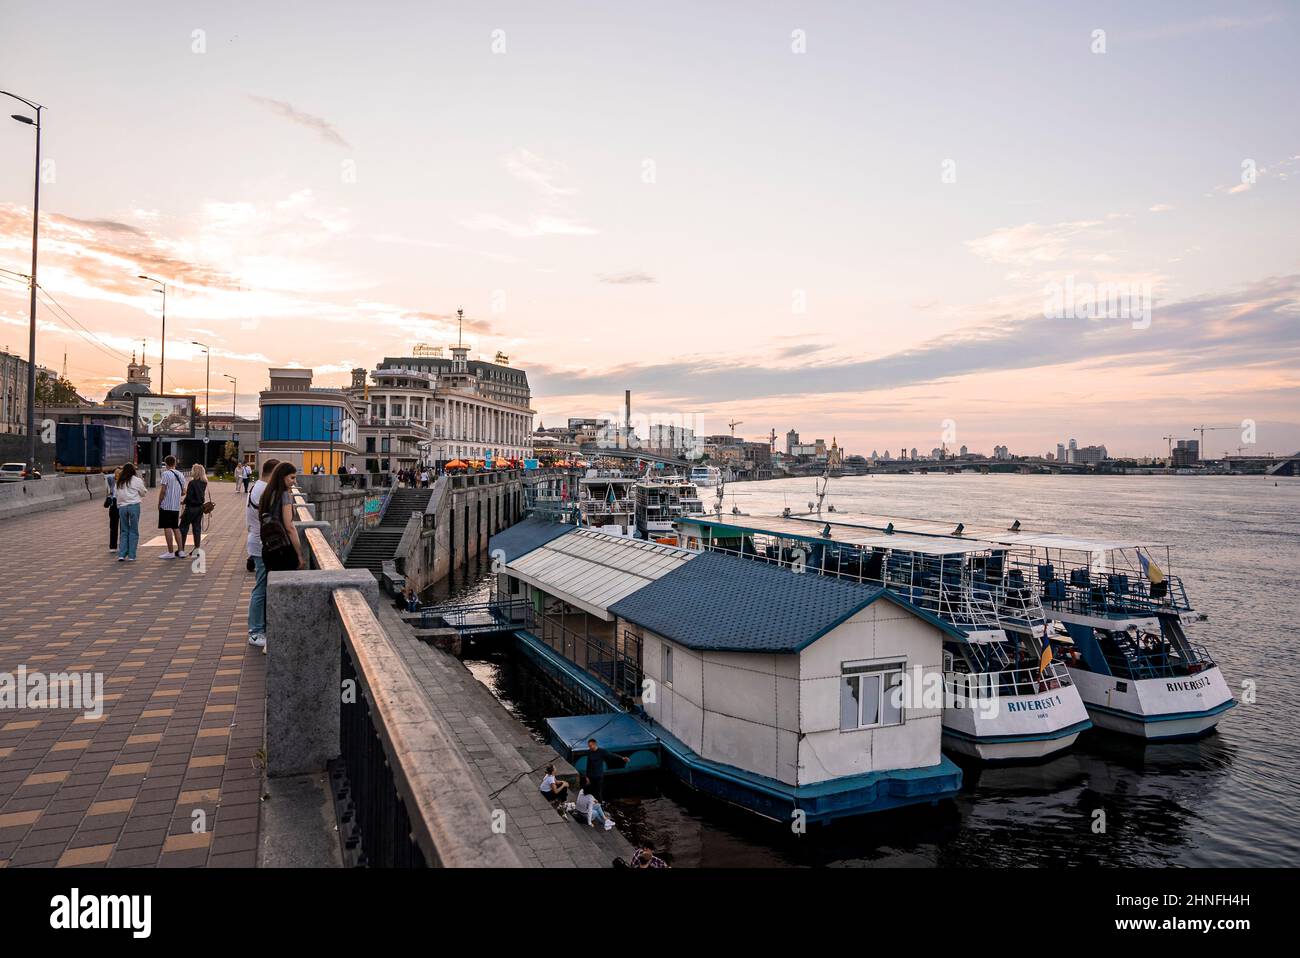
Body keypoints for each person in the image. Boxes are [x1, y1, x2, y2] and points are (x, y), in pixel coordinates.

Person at [245, 458, 280, 648]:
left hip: (258, 541)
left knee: (263, 586)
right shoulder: (263, 490)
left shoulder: (257, 487)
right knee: (260, 588)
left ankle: (260, 627)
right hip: (261, 544)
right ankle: (255, 631)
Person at [114, 462, 148, 562]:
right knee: (133, 530)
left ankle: (122, 554)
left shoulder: (120, 481)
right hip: (134, 506)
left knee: (124, 530)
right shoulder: (137, 480)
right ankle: (132, 555)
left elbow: (117, 495)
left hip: (122, 507)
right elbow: (143, 492)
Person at [157, 455, 186, 558]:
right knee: (175, 527)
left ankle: (170, 552)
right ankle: (181, 551)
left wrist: (159, 502)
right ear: (175, 463)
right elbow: (183, 492)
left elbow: (163, 490)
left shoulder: (166, 474)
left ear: (166, 464)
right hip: (175, 506)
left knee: (167, 527)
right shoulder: (180, 475)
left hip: (166, 505)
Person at [177, 463, 208, 556]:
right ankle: (197, 549)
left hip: (191, 508)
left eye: (192, 470)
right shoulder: (204, 483)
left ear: (195, 471)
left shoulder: (192, 483)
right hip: (200, 508)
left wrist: (183, 501)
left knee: (183, 528)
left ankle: (181, 549)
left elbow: (189, 497)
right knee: (197, 528)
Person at [106, 466, 120, 553]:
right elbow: (109, 476)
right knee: (116, 527)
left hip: (118, 504)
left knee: (118, 527)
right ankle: (115, 546)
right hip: (116, 504)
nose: (117, 475)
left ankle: (117, 546)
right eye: (116, 473)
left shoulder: (124, 481)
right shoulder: (112, 480)